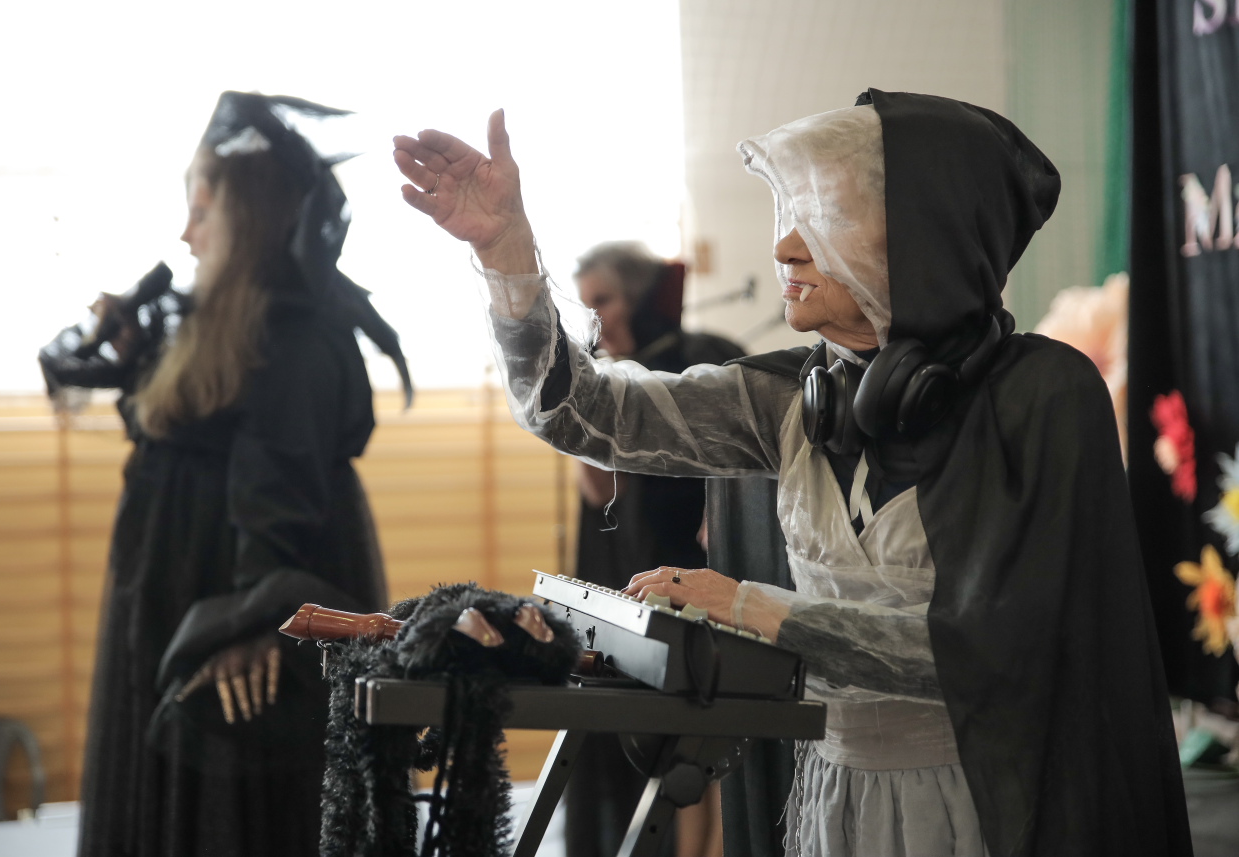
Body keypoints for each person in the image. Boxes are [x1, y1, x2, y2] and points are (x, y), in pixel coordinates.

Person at [395, 90, 1192, 857]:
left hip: (992, 803)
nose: (783, 247)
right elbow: (582, 413)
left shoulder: (1042, 398)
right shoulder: (793, 393)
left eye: (825, 218)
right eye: (789, 216)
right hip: (830, 794)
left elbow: (1000, 650)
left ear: (927, 237)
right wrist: (505, 253)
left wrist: (749, 607)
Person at [40, 91, 409, 857]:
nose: (186, 233)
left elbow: (283, 491)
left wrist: (258, 623)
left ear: (248, 218)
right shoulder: (197, 318)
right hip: (171, 587)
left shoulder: (298, 334)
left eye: (202, 211)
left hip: (233, 589)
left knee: (240, 807)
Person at [566, 241, 742, 857]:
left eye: (605, 301)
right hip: (638, 578)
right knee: (666, 745)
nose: (597, 319)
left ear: (639, 299)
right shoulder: (610, 379)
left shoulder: (703, 359)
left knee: (711, 738)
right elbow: (599, 494)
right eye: (586, 306)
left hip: (706, 578)